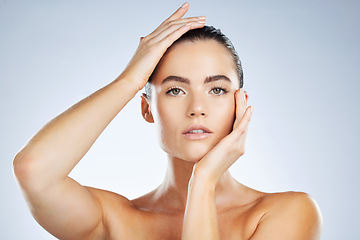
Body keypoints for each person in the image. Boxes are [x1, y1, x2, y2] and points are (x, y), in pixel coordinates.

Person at [13, 2, 322, 240]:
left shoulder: (287, 213)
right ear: (147, 109)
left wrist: (203, 180)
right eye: (175, 90)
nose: (197, 108)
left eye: (217, 89)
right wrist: (130, 79)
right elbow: (34, 171)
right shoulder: (117, 220)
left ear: (239, 103)